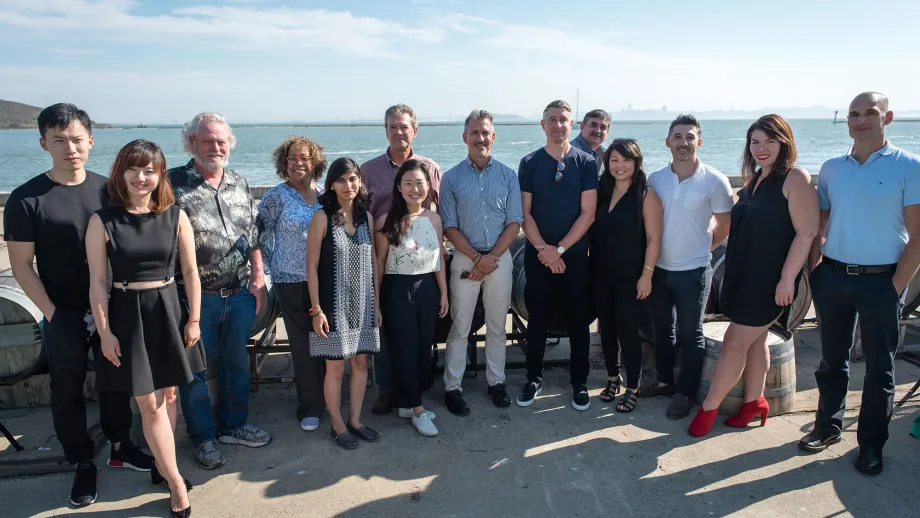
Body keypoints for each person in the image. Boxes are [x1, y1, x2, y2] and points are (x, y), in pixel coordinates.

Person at [3, 103, 152, 507]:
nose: (70, 148)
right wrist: (53, 314)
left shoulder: (109, 190)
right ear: (43, 144)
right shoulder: (26, 198)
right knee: (66, 389)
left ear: (90, 140)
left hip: (112, 306)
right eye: (59, 140)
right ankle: (82, 462)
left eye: (76, 139)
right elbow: (21, 266)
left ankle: (121, 448)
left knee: (114, 382)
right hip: (63, 310)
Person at [802, 92, 920, 475]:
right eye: (854, 114)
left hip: (881, 282)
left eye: (870, 112)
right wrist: (815, 267)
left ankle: (871, 445)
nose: (860, 120)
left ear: (887, 117)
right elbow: (820, 222)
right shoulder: (833, 168)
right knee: (831, 361)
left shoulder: (910, 167)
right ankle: (827, 427)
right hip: (833, 277)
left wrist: (894, 285)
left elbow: (918, 236)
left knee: (880, 369)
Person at [86, 140, 203, 518]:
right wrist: (105, 332)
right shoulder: (102, 221)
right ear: (120, 173)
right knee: (148, 403)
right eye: (133, 169)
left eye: (150, 170)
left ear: (160, 175)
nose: (141, 177)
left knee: (169, 396)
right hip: (128, 315)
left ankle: (161, 465)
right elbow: (98, 283)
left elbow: (190, 272)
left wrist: (194, 319)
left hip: (168, 309)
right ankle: (176, 485)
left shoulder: (175, 215)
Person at [688, 115, 818, 437]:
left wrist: (787, 279)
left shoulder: (794, 178)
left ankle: (708, 409)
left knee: (734, 342)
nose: (761, 148)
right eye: (755, 142)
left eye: (770, 141)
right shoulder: (754, 180)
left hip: (770, 282)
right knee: (755, 340)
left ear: (784, 143)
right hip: (743, 276)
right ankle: (754, 402)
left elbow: (807, 233)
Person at [170, 112, 272, 470]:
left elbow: (254, 234)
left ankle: (234, 425)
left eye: (221, 141)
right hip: (197, 299)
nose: (216, 147)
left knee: (236, 365)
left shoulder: (238, 182)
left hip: (240, 293)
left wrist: (258, 277)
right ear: (191, 143)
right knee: (195, 371)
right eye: (208, 140)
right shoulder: (172, 185)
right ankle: (203, 438)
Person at [641, 114, 734, 420]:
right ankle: (666, 381)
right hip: (659, 269)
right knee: (662, 329)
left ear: (699, 141)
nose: (683, 143)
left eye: (690, 137)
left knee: (691, 332)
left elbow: (724, 225)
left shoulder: (714, 180)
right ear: (668, 142)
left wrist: (702, 250)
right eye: (677, 137)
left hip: (694, 271)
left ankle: (686, 392)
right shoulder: (655, 179)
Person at [516, 100, 598, 411]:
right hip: (538, 256)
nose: (557, 125)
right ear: (543, 125)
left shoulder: (586, 162)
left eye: (563, 119)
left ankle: (579, 382)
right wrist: (544, 251)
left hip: (574, 256)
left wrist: (560, 249)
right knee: (537, 320)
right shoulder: (529, 162)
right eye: (551, 119)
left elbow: (588, 213)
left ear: (572, 124)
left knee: (579, 320)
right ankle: (533, 378)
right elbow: (525, 213)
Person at [440, 109, 523, 414]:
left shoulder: (508, 176)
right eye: (474, 132)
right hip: (464, 257)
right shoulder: (450, 179)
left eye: (485, 132)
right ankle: (453, 387)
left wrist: (491, 259)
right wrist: (477, 259)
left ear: (493, 137)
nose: (480, 138)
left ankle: (496, 383)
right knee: (460, 326)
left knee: (497, 326)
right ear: (465, 138)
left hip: (500, 258)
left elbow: (515, 222)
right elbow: (448, 225)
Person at [361, 104, 442, 415]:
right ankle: (387, 388)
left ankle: (416, 387)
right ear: (386, 131)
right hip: (381, 256)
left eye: (404, 126)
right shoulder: (368, 170)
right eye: (393, 126)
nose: (398, 132)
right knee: (385, 328)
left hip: (420, 260)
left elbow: (436, 216)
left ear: (414, 131)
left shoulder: (430, 168)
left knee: (418, 332)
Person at [307, 157, 382, 449]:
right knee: (335, 368)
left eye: (353, 179)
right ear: (331, 185)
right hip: (332, 306)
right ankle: (337, 425)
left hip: (363, 304)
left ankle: (355, 420)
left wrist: (375, 305)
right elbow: (311, 266)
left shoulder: (367, 217)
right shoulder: (321, 217)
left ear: (359, 181)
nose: (348, 185)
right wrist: (317, 310)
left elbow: (375, 262)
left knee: (361, 362)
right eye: (341, 180)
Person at [257, 136, 327, 432]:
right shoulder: (276, 197)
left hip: (324, 279)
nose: (298, 163)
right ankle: (310, 406)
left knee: (325, 340)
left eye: (304, 158)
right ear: (283, 163)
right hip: (289, 279)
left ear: (315, 163)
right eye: (292, 158)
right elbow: (257, 234)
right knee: (302, 346)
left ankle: (329, 397)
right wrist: (267, 267)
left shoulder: (326, 194)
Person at [374, 159, 448, 436]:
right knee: (403, 349)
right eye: (409, 183)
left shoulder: (434, 219)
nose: (415, 189)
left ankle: (408, 403)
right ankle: (417, 409)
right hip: (397, 289)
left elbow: (439, 257)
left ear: (428, 186)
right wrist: (377, 301)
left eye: (420, 183)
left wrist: (443, 292)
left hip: (427, 286)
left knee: (422, 349)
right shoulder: (386, 221)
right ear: (399, 187)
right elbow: (379, 262)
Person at [589, 138, 663, 413]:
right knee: (606, 329)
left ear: (636, 162)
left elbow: (654, 240)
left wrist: (647, 276)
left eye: (626, 160)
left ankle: (633, 386)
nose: (619, 166)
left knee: (628, 333)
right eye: (614, 160)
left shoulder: (646, 195)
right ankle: (612, 379)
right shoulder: (601, 192)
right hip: (600, 274)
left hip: (631, 277)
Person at [570, 109, 611, 176]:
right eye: (593, 125)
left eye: (603, 127)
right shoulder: (570, 154)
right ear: (582, 127)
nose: (598, 131)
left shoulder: (606, 154)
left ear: (607, 132)